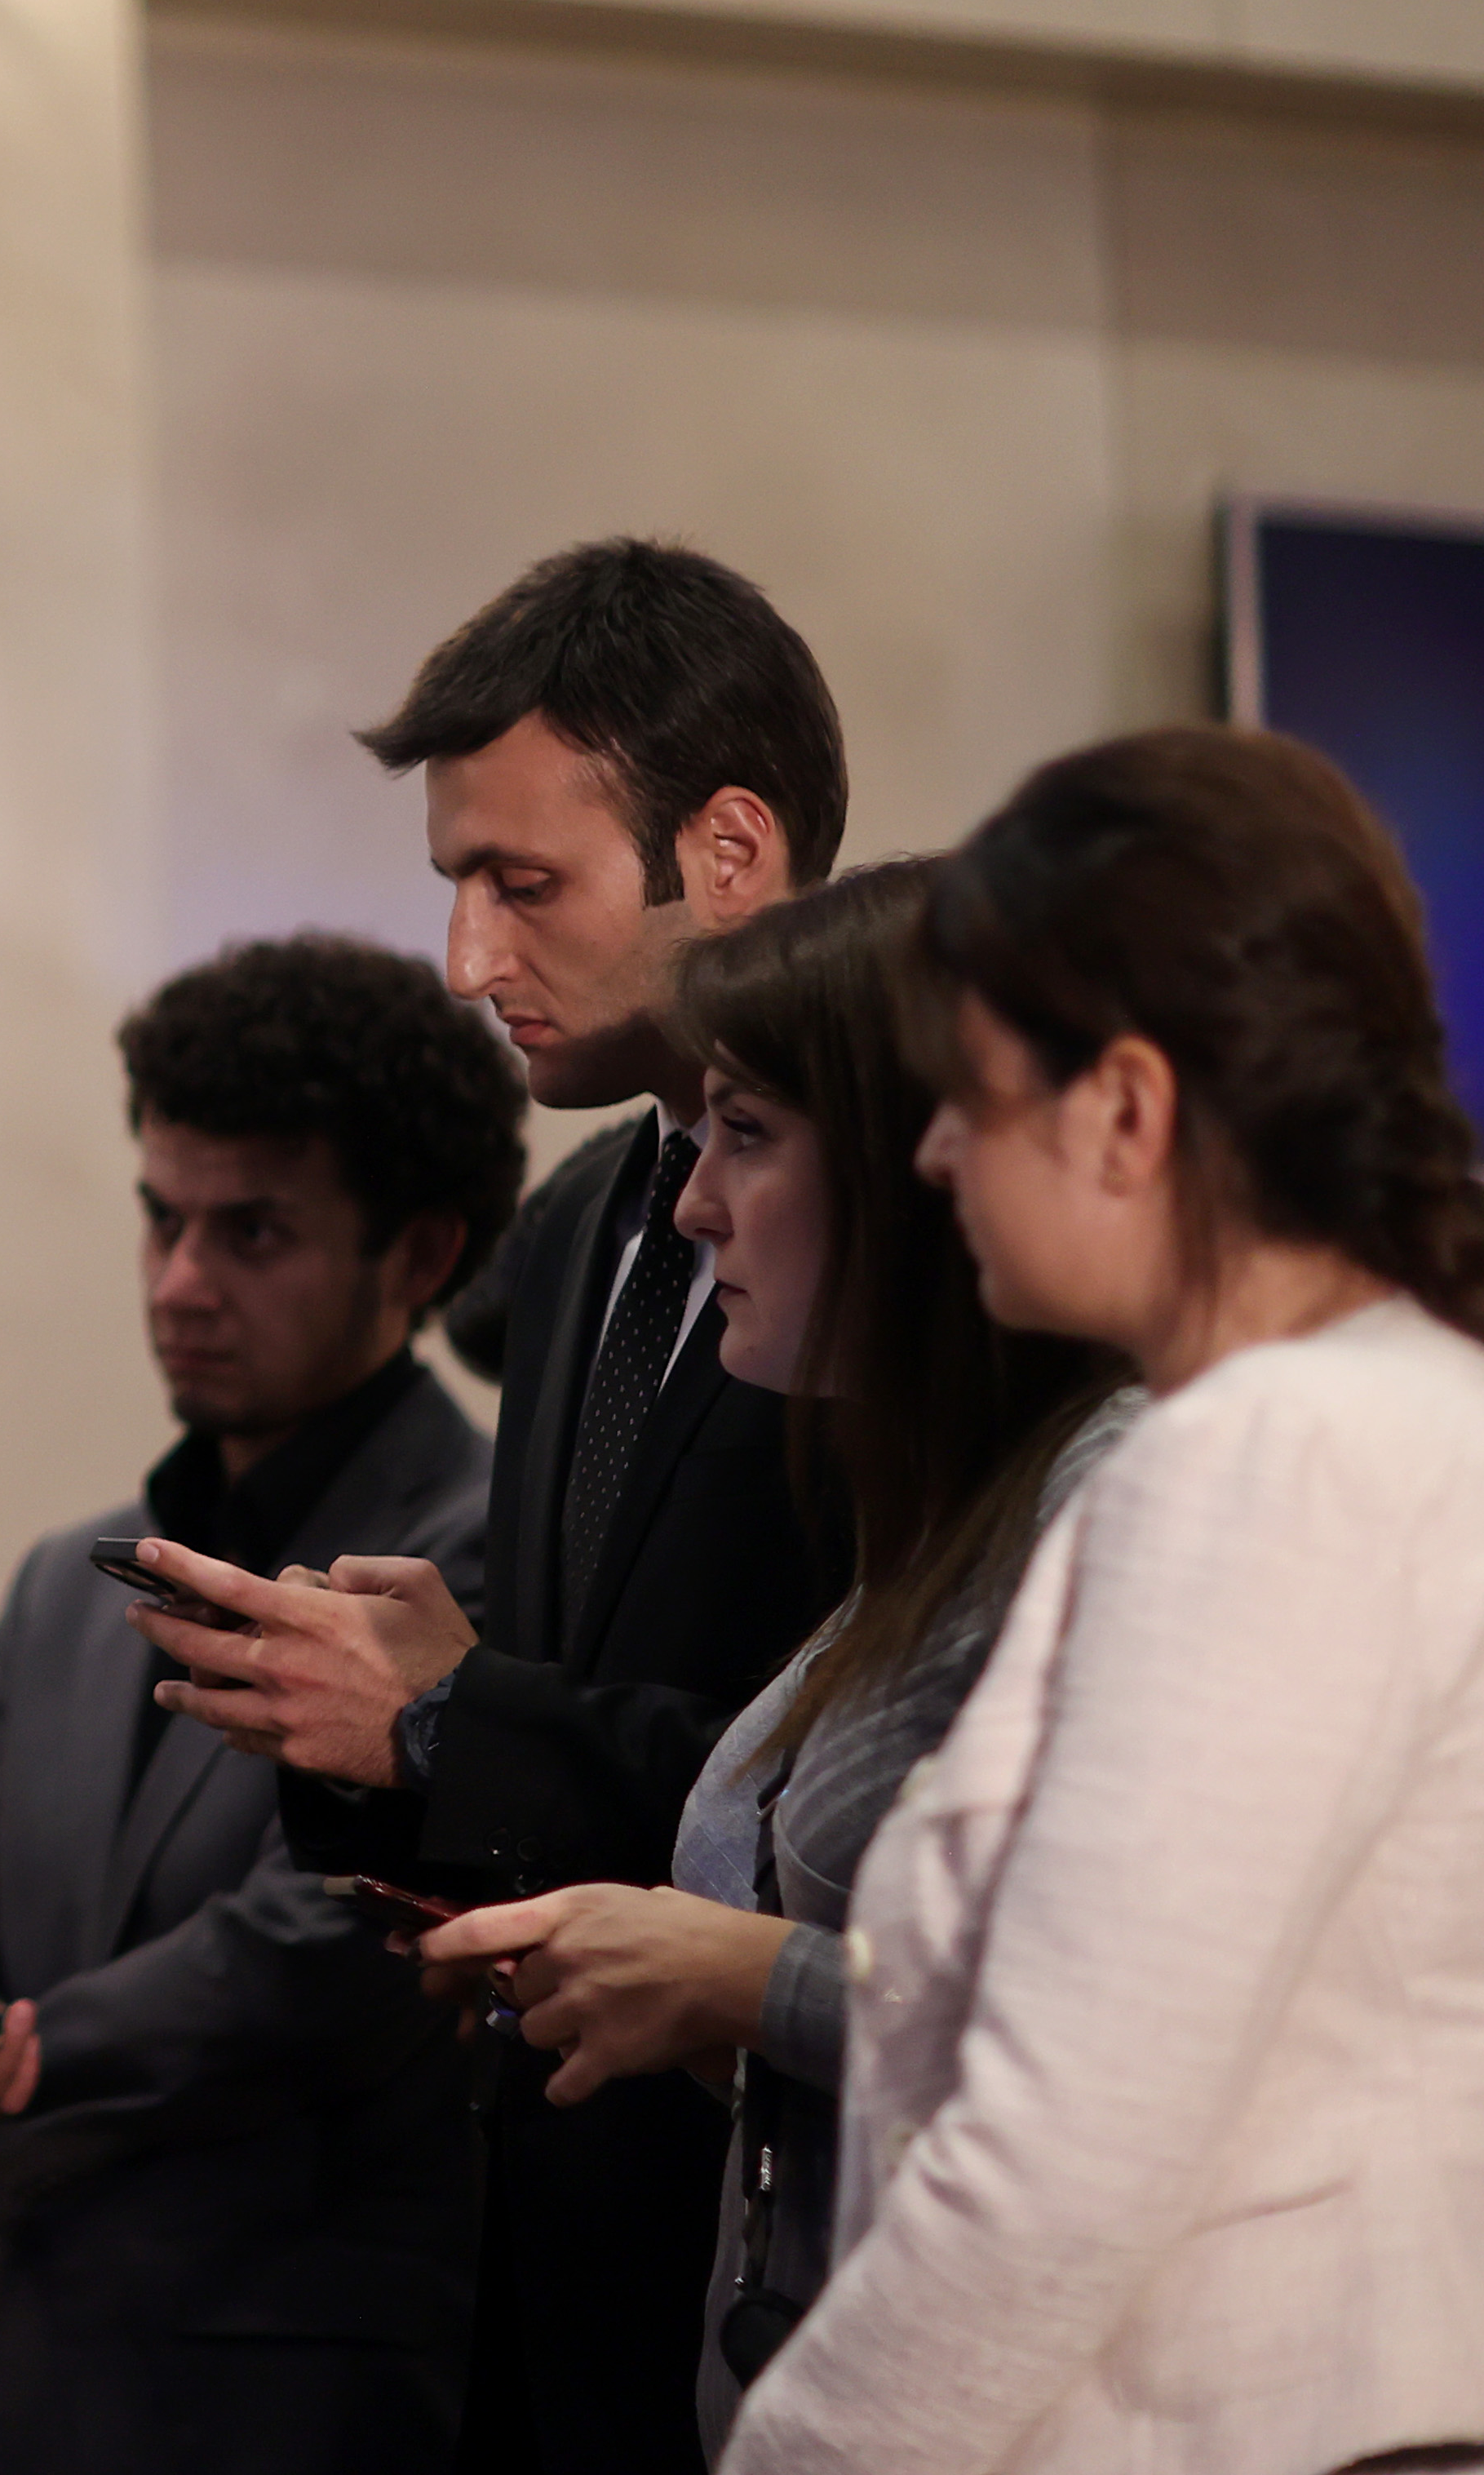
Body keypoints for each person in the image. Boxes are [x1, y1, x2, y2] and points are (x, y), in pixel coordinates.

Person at [130, 539, 861, 2473]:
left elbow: (876, 1804)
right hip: (545, 2256)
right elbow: (549, 1716)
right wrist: (374, 1740)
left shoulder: (918, 1234)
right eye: (455, 886)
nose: (465, 964)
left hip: (799, 2263)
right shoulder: (585, 1216)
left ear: (726, 851)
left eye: (521, 885)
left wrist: (459, 1717)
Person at [717, 730, 1484, 2474]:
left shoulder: (1273, 1455)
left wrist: (803, 2456)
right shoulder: (1370, 1411)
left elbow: (1063, 2152)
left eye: (970, 1094)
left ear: (1129, 1111)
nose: (936, 1154)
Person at [401, 862, 1130, 2451]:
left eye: (747, 1133)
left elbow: (1115, 2030)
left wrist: (728, 1974)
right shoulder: (931, 1511)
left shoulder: (1115, 1492)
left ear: (915, 1156)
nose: (693, 1203)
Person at [0, 935, 529, 2475]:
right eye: (162, 1218)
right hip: (25, 2388)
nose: (180, 1282)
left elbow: (330, 1947)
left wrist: (1, 2057)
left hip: (309, 2410)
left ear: (418, 1254)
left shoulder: (483, 1559)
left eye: (251, 1231)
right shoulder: (62, 1584)